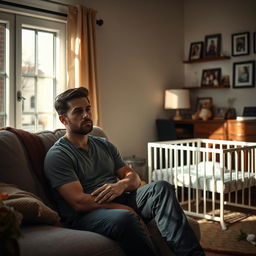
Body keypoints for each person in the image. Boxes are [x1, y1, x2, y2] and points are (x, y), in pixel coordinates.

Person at [44, 87, 205, 256]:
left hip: (121, 197)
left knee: (161, 187)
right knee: (124, 218)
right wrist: (125, 209)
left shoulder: (104, 144)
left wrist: (121, 185)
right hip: (87, 213)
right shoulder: (58, 155)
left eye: (88, 109)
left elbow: (134, 177)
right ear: (64, 120)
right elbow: (79, 202)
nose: (86, 115)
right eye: (78, 111)